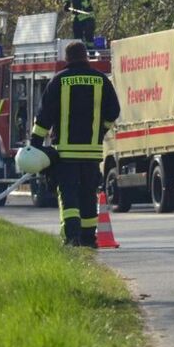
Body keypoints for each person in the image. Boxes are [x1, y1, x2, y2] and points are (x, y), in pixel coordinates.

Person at [31, 40, 120, 247]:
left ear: (67, 58)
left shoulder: (59, 81)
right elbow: (113, 111)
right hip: (91, 153)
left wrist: (35, 143)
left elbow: (44, 116)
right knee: (88, 194)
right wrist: (101, 131)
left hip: (65, 154)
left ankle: (72, 238)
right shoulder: (101, 80)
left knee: (68, 195)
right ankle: (89, 238)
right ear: (86, 56)